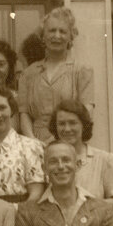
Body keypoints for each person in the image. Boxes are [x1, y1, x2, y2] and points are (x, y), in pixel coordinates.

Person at [18, 7, 94, 142]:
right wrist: (32, 142)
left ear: (71, 36)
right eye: (52, 31)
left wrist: (59, 139)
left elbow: (86, 113)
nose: (57, 36)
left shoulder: (81, 71)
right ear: (43, 36)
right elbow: (24, 113)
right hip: (35, 143)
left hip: (68, 140)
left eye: (63, 31)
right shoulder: (28, 74)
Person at [49, 98, 113, 214]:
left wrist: (84, 206)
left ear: (83, 125)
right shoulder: (47, 160)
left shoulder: (105, 159)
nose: (67, 129)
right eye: (61, 124)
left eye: (73, 123)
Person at [0, 86, 46, 204]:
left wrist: (14, 214)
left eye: (3, 108)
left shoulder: (30, 146)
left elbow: (36, 193)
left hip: (20, 215)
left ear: (11, 110)